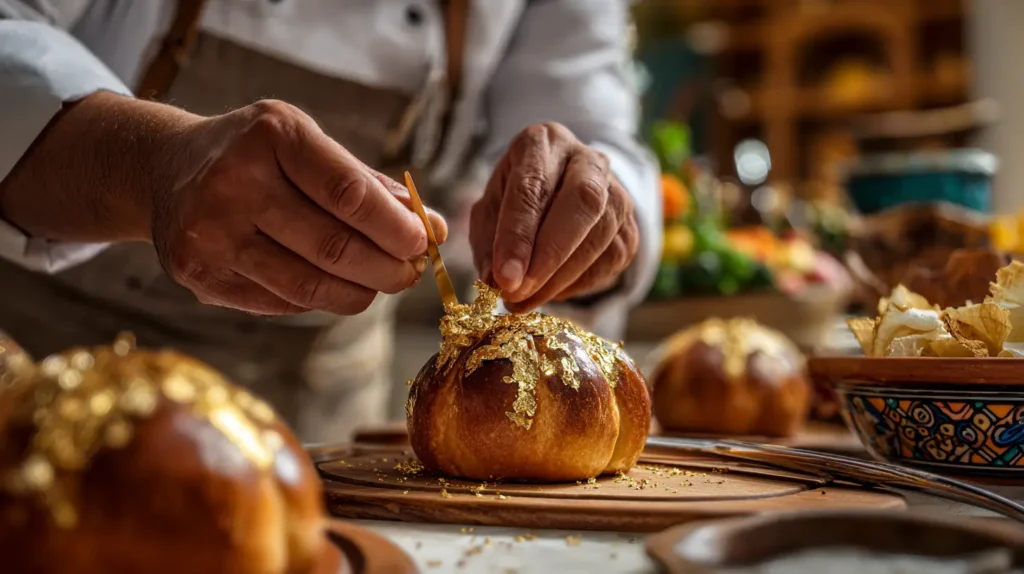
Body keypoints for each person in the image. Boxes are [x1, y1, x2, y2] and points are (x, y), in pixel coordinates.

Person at [0, 0, 661, 442]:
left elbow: (595, 122)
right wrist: (146, 166)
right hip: (38, 376)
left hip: (321, 417)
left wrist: (592, 201)